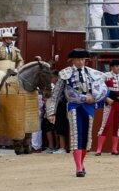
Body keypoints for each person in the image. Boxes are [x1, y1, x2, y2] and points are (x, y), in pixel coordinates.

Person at [46, 48, 109, 177]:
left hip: (89, 106)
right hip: (74, 106)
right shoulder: (65, 74)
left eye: (83, 59)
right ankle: (78, 167)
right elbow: (56, 95)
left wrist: (95, 96)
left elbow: (101, 87)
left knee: (86, 137)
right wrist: (51, 112)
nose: (81, 62)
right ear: (72, 60)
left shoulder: (92, 73)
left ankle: (81, 162)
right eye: (78, 59)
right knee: (76, 135)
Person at [94, 60, 119, 156]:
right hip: (110, 103)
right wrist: (106, 98)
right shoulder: (105, 76)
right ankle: (99, 149)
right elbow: (100, 89)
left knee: (117, 126)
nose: (118, 68)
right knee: (106, 124)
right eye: (116, 66)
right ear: (111, 67)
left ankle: (114, 149)